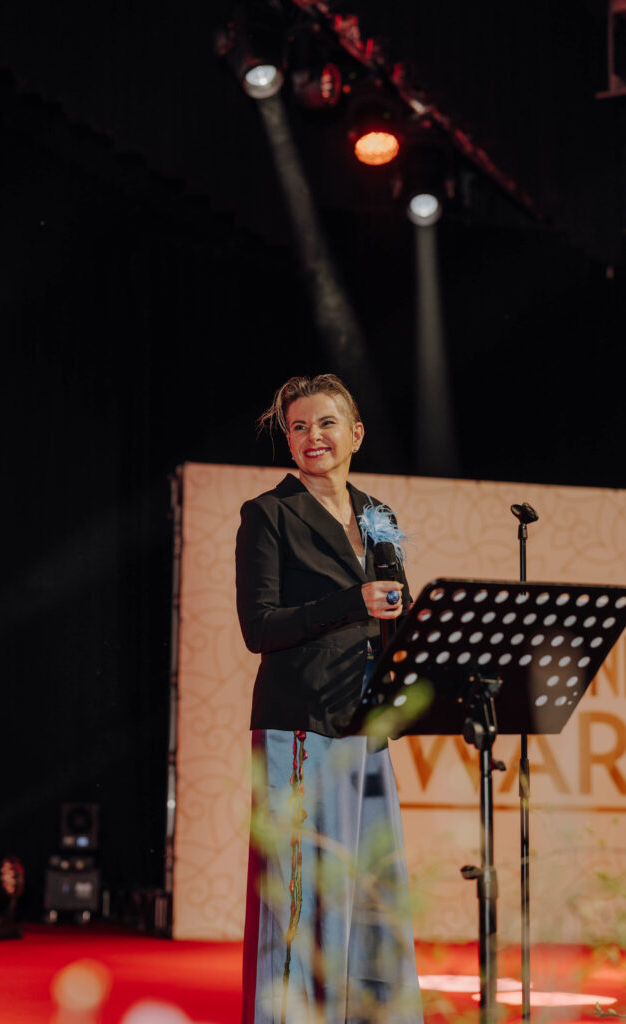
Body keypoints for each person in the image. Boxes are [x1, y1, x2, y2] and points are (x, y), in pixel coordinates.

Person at [236, 374, 423, 1024]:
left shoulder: (377, 514)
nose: (312, 436)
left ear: (356, 434)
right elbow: (259, 627)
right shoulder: (269, 513)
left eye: (325, 423)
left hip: (365, 722)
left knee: (371, 888)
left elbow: (397, 610)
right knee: (302, 891)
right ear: (288, 441)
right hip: (301, 723)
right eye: (298, 427)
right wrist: (354, 601)